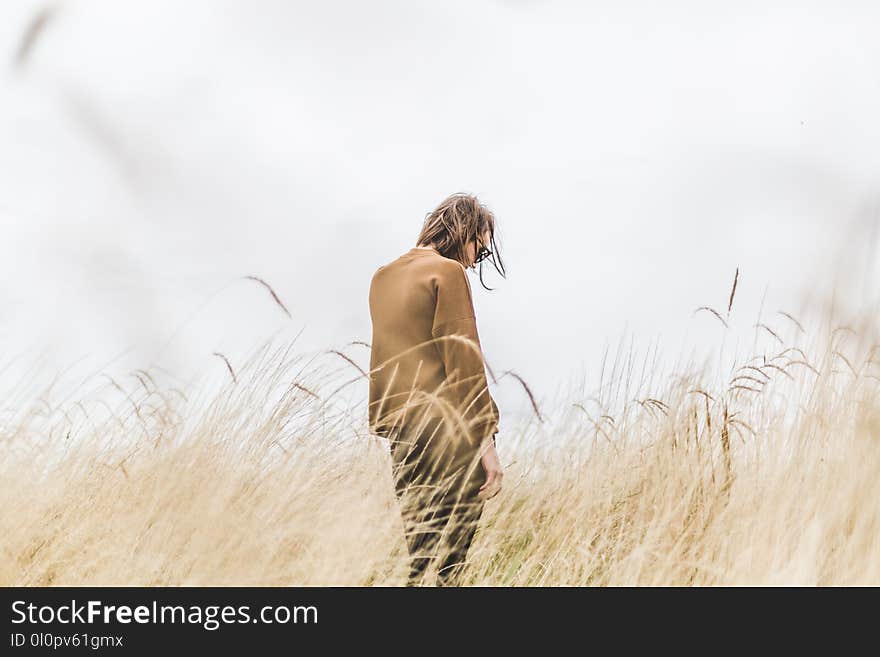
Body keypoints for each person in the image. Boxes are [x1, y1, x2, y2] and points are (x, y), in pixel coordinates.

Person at [368, 192, 506, 586]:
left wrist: (389, 427)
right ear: (462, 231)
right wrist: (487, 443)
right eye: (478, 249)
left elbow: (385, 361)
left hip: (403, 436)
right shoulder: (446, 273)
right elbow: (463, 361)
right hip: (449, 433)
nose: (473, 260)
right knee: (451, 565)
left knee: (420, 555)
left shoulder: (382, 277)